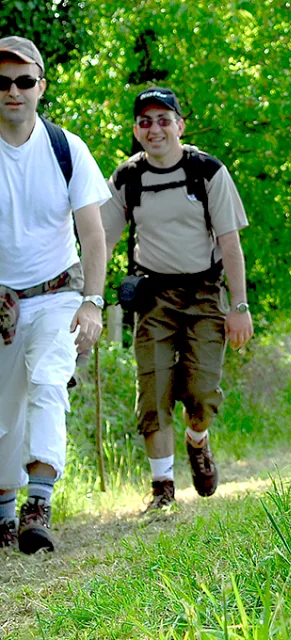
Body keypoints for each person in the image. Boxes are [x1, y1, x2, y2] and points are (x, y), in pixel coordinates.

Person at [101, 87, 253, 513]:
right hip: (153, 296)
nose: (155, 129)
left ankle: (198, 440)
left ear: (180, 126)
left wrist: (239, 307)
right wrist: (86, 294)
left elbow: (230, 242)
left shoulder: (207, 171)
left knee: (202, 393)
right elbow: (102, 239)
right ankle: (162, 488)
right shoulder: (128, 178)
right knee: (153, 389)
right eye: (145, 122)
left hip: (205, 293)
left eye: (164, 120)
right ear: (136, 130)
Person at [0, 36, 110, 553]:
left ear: (41, 86)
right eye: (3, 82)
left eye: (24, 81)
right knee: (4, 412)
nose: (13, 91)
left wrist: (93, 301)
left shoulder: (67, 148)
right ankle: (4, 511)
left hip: (57, 294)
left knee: (47, 381)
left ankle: (37, 502)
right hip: (1, 302)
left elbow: (93, 234)